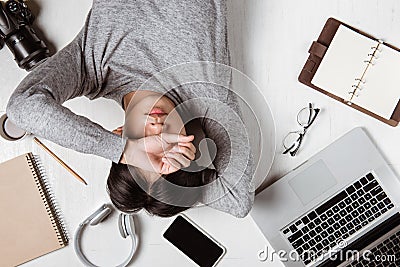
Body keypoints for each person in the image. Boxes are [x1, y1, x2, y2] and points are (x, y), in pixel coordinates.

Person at [6, 0, 255, 218]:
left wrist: (124, 151)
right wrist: (185, 177)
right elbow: (239, 202)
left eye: (143, 145)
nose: (158, 129)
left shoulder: (91, 68)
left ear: (117, 133)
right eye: (168, 147)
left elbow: (22, 107)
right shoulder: (209, 92)